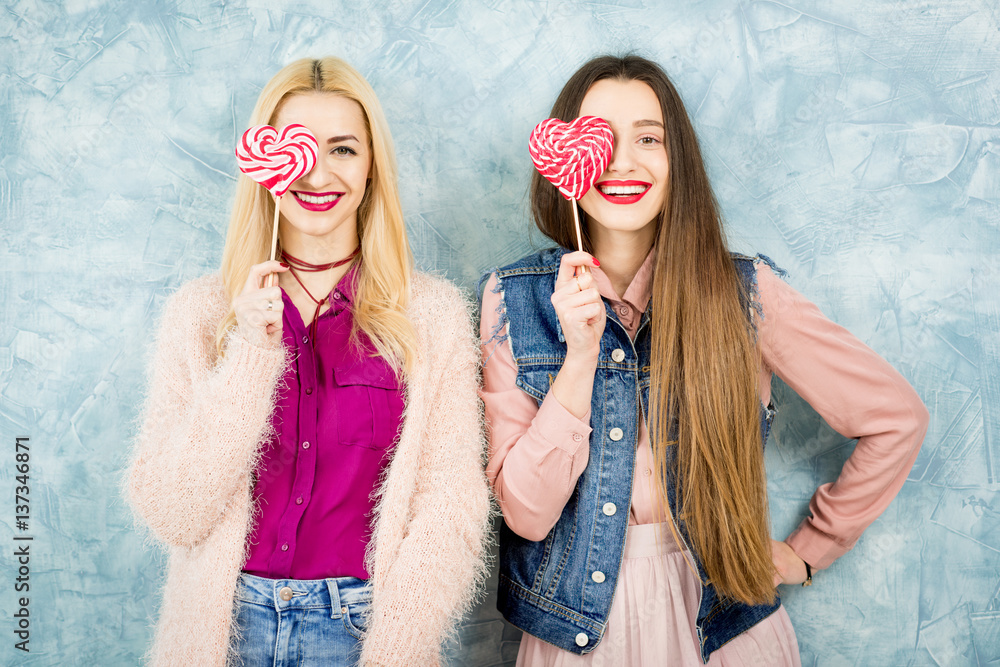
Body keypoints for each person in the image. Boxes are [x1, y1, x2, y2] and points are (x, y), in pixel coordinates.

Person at [480, 55, 929, 666]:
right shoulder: (513, 300)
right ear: (564, 159)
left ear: (678, 162)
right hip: (576, 638)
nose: (621, 161)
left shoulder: (744, 294)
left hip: (723, 631)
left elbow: (896, 417)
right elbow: (528, 517)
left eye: (648, 138)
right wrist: (580, 359)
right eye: (600, 138)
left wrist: (808, 550)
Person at [126, 57, 491, 667]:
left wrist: (395, 651)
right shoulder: (199, 315)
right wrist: (249, 353)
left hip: (364, 631)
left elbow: (451, 510)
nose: (317, 171)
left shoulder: (431, 316)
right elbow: (174, 512)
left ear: (372, 168)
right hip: (223, 633)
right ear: (262, 164)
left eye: (344, 149)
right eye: (296, 146)